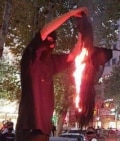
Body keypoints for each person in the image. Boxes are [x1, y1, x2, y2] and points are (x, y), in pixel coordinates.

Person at [15, 7, 88, 141]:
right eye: (49, 41)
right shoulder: (30, 57)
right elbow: (45, 30)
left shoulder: (51, 62)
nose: (52, 45)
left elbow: (73, 56)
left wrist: (82, 33)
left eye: (54, 42)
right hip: (29, 127)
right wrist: (71, 14)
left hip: (44, 130)